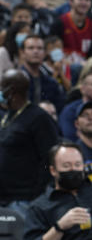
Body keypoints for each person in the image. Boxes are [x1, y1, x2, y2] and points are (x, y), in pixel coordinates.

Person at [0, 69, 59, 207]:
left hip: (24, 199)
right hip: (4, 197)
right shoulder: (7, 115)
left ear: (12, 91)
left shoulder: (39, 118)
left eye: (2, 87)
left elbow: (49, 158)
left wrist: (36, 196)